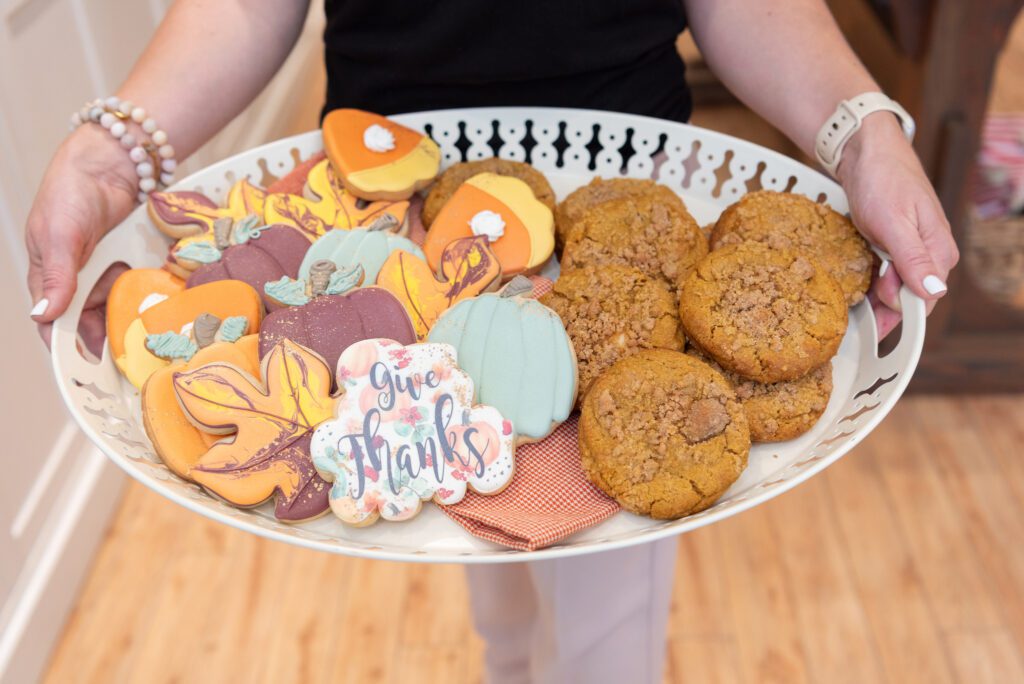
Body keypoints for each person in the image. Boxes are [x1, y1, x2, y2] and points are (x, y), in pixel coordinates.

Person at [24, 1, 959, 682]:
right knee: (478, 534)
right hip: (389, 221)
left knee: (605, 618)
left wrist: (861, 135)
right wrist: (114, 154)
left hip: (628, 197)